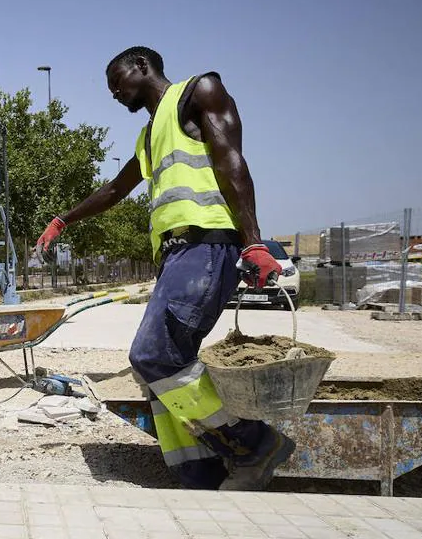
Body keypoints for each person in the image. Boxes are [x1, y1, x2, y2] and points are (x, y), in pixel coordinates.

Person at [34, 47, 294, 491]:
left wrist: (252, 241)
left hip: (205, 245)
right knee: (160, 371)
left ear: (141, 65)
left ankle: (255, 444)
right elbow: (117, 188)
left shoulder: (199, 92)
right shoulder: (150, 134)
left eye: (116, 79)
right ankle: (200, 473)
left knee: (152, 356)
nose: (114, 91)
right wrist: (63, 220)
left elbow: (232, 161)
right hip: (177, 256)